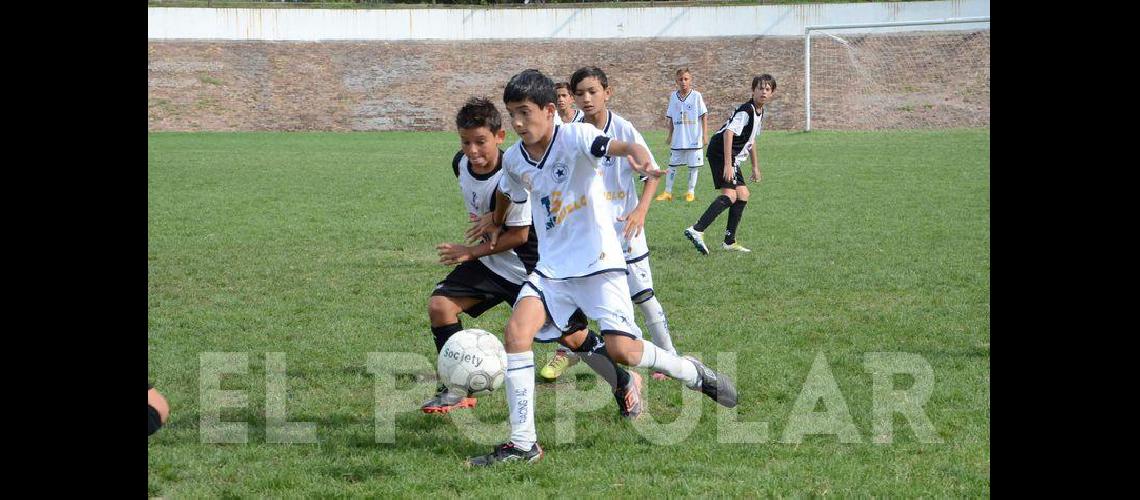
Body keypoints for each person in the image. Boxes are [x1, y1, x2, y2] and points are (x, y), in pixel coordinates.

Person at [465, 69, 737, 467]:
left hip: (599, 265)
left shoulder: (574, 137)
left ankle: (690, 372)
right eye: (512, 115)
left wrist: (636, 154)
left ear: (548, 109)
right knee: (516, 332)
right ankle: (523, 444)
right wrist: (495, 219)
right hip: (552, 269)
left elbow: (612, 145)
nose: (519, 123)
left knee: (622, 351)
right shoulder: (517, 158)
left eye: (525, 112)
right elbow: (509, 188)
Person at [424, 97, 641, 418]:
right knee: (440, 307)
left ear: (500, 137)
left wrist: (471, 251)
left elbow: (519, 236)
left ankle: (624, 381)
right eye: (466, 142)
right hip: (491, 263)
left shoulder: (514, 173)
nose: (473, 151)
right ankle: (458, 387)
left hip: (530, 268)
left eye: (481, 142)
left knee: (572, 337)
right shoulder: (460, 164)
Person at [539, 66, 679, 384]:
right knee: (570, 301)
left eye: (593, 91)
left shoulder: (624, 130)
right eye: (580, 93)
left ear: (607, 92)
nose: (587, 99)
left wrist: (640, 211)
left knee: (643, 296)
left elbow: (651, 173)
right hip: (586, 235)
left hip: (625, 231)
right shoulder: (570, 133)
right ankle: (570, 353)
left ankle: (668, 357)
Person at [684, 74, 776, 255]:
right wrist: (727, 164)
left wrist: (755, 166)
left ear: (772, 93)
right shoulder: (747, 110)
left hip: (731, 156)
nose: (763, 92)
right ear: (753, 90)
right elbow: (728, 134)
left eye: (767, 89)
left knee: (743, 195)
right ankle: (697, 229)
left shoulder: (760, 111)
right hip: (721, 153)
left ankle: (729, 240)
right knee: (730, 195)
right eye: (760, 88)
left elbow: (751, 140)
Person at [657, 68, 709, 203]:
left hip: (693, 139)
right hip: (678, 139)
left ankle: (690, 192)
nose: (683, 82)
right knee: (672, 165)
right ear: (676, 81)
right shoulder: (673, 97)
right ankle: (667, 192)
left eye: (686, 79)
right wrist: (670, 135)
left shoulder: (697, 96)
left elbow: (704, 115)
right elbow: (672, 117)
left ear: (690, 80)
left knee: (693, 166)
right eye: (680, 79)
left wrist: (704, 135)